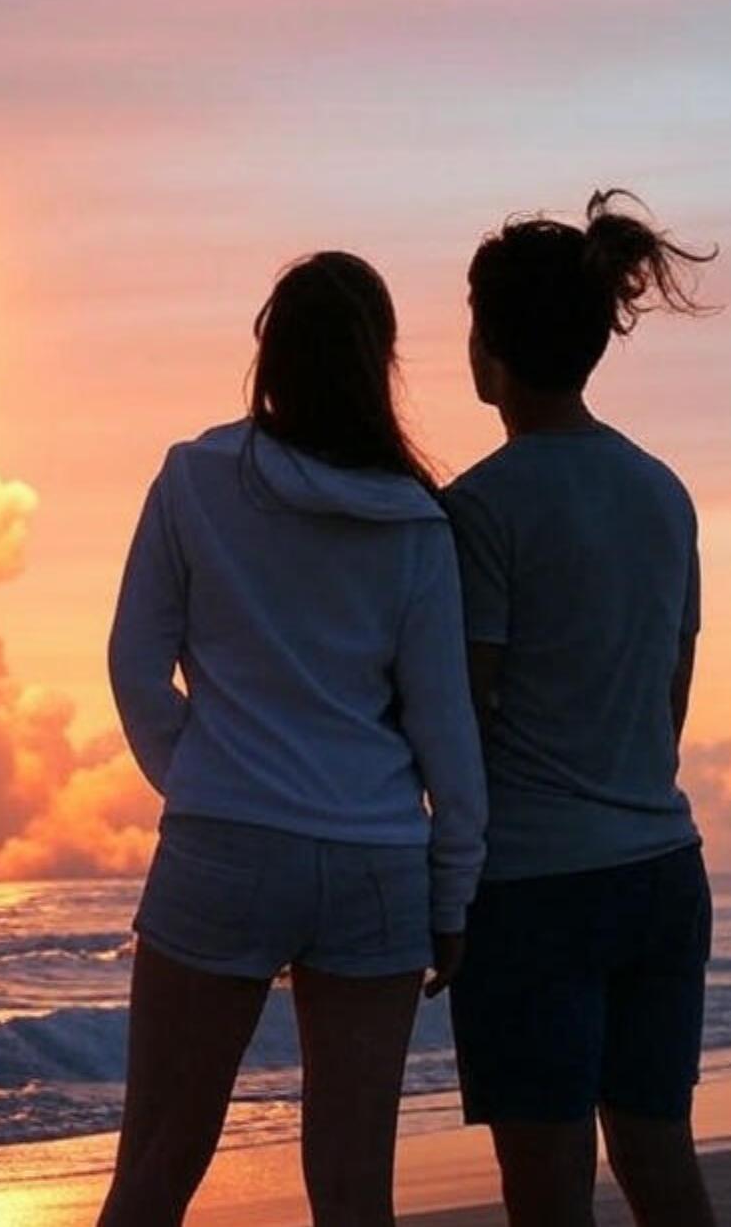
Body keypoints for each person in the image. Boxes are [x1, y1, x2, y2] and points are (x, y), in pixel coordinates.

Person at [101, 251, 488, 1227]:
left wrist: (201, 777)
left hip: (224, 846)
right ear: (379, 366)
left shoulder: (195, 479)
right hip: (374, 858)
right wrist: (452, 894)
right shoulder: (415, 520)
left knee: (157, 1168)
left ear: (269, 353)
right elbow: (446, 734)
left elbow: (135, 666)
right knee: (354, 1191)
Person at [444, 190, 719, 1227]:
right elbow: (669, 693)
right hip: (661, 868)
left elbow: (465, 714)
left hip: (534, 887)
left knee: (547, 1190)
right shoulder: (661, 490)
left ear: (491, 347)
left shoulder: (480, 507)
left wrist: (442, 883)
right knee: (659, 1158)